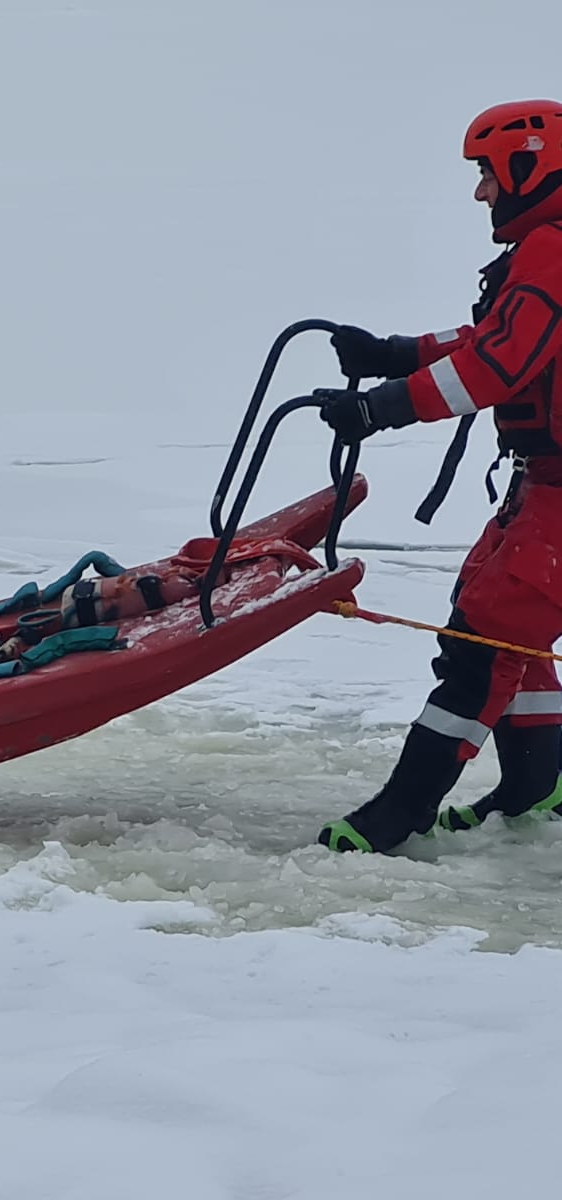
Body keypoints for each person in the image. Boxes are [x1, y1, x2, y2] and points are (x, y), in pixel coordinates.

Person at [315, 99, 562, 852]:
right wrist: (394, 354)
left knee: (482, 644)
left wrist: (381, 408)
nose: (481, 192)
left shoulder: (554, 249)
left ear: (531, 167)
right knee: (495, 627)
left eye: (488, 174)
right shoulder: (545, 250)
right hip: (542, 487)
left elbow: (497, 363)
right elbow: (492, 335)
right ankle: (537, 785)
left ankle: (400, 815)